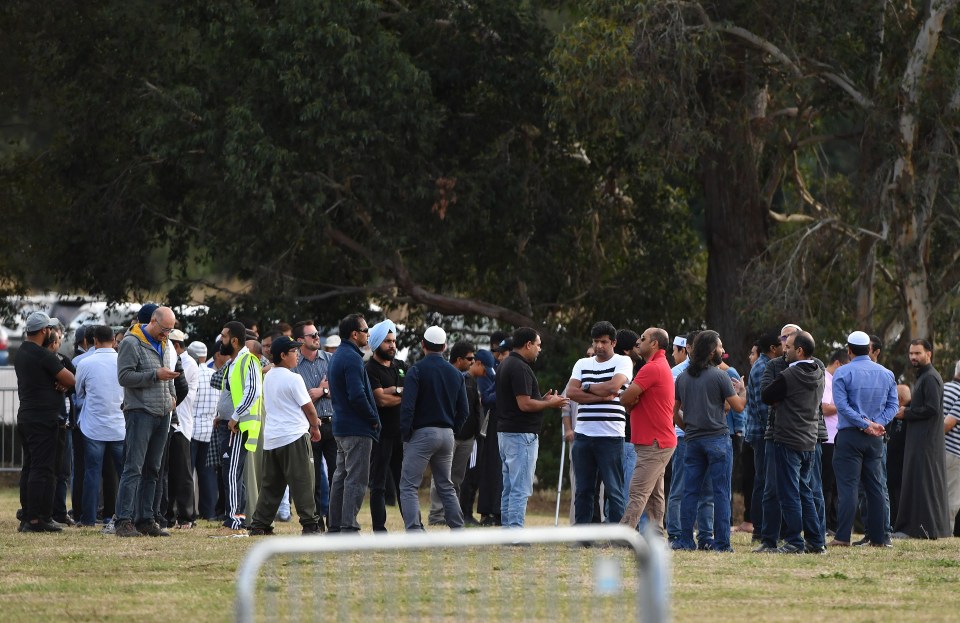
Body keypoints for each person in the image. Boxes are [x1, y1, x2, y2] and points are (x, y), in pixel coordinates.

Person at [671, 330, 746, 552]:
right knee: (720, 492)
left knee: (690, 491)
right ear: (712, 351)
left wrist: (689, 428)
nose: (723, 351)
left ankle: (685, 540)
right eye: (720, 347)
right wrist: (741, 391)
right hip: (718, 440)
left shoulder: (683, 378)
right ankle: (722, 543)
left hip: (693, 441)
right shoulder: (720, 376)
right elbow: (737, 407)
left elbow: (674, 413)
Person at [115, 306, 181, 538]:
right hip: (140, 412)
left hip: (163, 412)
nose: (167, 335)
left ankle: (146, 518)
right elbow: (124, 377)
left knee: (153, 469)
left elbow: (166, 372)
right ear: (153, 321)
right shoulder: (131, 343)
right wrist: (155, 376)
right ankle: (123, 520)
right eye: (164, 330)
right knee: (134, 467)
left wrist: (172, 393)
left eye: (170, 331)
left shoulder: (162, 342)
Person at [829, 330, 898, 548]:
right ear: (869, 349)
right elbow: (893, 406)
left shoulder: (842, 373)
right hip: (876, 437)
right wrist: (876, 423)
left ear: (849, 351)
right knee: (876, 487)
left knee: (848, 487)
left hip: (850, 435)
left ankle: (842, 537)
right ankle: (880, 538)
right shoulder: (887, 373)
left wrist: (864, 423)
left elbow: (842, 406)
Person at [248, 337, 323, 536]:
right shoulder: (294, 378)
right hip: (294, 437)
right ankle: (310, 525)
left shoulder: (269, 376)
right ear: (282, 355)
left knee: (271, 486)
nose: (297, 354)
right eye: (293, 351)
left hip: (272, 438)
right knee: (303, 482)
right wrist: (315, 427)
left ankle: (260, 524)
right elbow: (309, 408)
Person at [759, 331, 825, 554]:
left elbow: (766, 395)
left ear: (799, 351)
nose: (783, 350)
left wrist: (781, 400)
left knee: (789, 493)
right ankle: (816, 541)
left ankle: (795, 541)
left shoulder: (789, 375)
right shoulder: (819, 373)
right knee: (805, 491)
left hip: (787, 438)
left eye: (787, 347)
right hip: (809, 439)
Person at [496, 327, 568, 528]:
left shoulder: (505, 364)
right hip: (521, 436)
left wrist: (542, 400)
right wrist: (549, 404)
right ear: (528, 344)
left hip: (506, 433)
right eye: (538, 345)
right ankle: (515, 533)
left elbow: (520, 401)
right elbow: (524, 404)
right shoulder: (520, 368)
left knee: (509, 486)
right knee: (520, 488)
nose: (539, 349)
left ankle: (508, 530)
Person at [398, 326, 469, 530]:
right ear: (445, 347)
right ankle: (458, 528)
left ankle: (414, 530)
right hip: (447, 434)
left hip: (422, 433)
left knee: (409, 485)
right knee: (445, 485)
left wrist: (406, 434)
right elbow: (463, 410)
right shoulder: (456, 374)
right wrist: (452, 429)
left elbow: (408, 407)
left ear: (423, 345)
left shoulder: (416, 370)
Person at [563, 321, 632, 525]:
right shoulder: (582, 363)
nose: (599, 346)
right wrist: (601, 396)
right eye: (596, 342)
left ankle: (618, 535)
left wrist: (587, 386)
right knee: (583, 489)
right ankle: (583, 534)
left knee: (614, 489)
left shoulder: (623, 362)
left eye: (603, 342)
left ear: (613, 342)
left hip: (611, 436)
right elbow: (571, 393)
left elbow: (613, 387)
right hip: (583, 435)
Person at [15, 311, 75, 533]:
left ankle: (28, 515)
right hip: (44, 419)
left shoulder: (22, 351)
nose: (52, 332)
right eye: (50, 329)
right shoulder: (43, 355)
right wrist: (61, 381)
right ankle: (38, 519)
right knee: (44, 469)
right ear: (44, 331)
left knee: (30, 467)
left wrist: (56, 380)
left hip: (27, 416)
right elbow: (71, 379)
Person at [892, 339, 951, 539]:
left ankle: (924, 529)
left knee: (925, 484)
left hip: (926, 443)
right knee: (919, 483)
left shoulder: (930, 378)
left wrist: (906, 413)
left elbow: (932, 408)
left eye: (918, 353)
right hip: (921, 441)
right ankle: (915, 528)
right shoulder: (924, 377)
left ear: (929, 354)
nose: (913, 357)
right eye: (911, 354)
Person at [618, 327, 676, 533]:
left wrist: (630, 400)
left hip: (655, 442)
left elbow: (625, 398)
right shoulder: (659, 366)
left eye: (642, 339)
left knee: (638, 491)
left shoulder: (652, 368)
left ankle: (622, 536)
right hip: (656, 441)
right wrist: (632, 401)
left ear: (654, 344)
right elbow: (630, 400)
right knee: (653, 494)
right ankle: (657, 536)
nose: (638, 342)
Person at [327, 313, 380, 533]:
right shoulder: (351, 358)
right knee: (355, 480)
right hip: (356, 428)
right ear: (354, 334)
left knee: (341, 477)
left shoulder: (339, 355)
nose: (368, 334)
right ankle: (349, 526)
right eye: (365, 330)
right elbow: (357, 395)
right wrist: (373, 418)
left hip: (341, 426)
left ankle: (335, 525)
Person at [74, 325, 124, 528]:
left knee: (91, 473)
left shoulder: (86, 363)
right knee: (123, 475)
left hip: (93, 426)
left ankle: (87, 519)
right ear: (114, 341)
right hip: (119, 426)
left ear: (94, 341)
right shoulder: (122, 362)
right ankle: (124, 516)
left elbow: (79, 392)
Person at [428, 340, 481, 526]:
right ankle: (436, 515)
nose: (473, 362)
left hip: (466, 438)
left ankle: (451, 515)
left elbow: (475, 408)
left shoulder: (470, 380)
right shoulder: (444, 376)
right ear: (459, 359)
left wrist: (475, 433)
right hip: (448, 434)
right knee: (441, 476)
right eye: (470, 358)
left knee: (456, 479)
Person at [218, 320, 264, 532]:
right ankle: (236, 516)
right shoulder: (234, 362)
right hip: (230, 425)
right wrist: (221, 415)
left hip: (239, 427)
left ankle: (235, 519)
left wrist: (235, 417)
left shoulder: (248, 361)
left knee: (232, 472)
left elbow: (252, 391)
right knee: (231, 472)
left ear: (234, 341)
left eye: (224, 336)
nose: (221, 340)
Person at [293, 320, 335, 527]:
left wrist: (323, 391)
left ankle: (335, 521)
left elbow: (342, 389)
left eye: (317, 334)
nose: (318, 338)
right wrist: (315, 394)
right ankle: (316, 522)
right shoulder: (294, 366)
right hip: (309, 427)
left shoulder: (330, 359)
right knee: (313, 479)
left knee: (338, 475)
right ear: (300, 340)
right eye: (313, 335)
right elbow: (298, 398)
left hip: (333, 424)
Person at [364, 319, 405, 532]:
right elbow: (380, 400)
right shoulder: (370, 369)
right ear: (378, 342)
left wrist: (392, 391)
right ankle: (379, 529)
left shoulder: (400, 367)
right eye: (388, 341)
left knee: (404, 484)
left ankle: (413, 526)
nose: (392, 345)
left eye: (394, 341)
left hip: (402, 434)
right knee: (378, 484)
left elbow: (412, 393)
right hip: (380, 434)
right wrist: (400, 392)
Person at [166, 329, 198, 528]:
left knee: (183, 473)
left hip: (181, 424)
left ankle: (186, 516)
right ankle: (169, 514)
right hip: (173, 423)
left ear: (176, 346)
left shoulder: (187, 364)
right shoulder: (180, 361)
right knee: (169, 473)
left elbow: (181, 392)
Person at [187, 341, 219, 521]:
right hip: (210, 429)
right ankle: (209, 513)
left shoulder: (191, 374)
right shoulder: (214, 374)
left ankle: (188, 512)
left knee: (188, 473)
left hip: (191, 429)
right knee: (207, 474)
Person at [943, 360, 960, 536]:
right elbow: (948, 424)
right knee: (952, 499)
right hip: (953, 451)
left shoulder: (944, 387)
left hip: (936, 450)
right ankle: (946, 533)